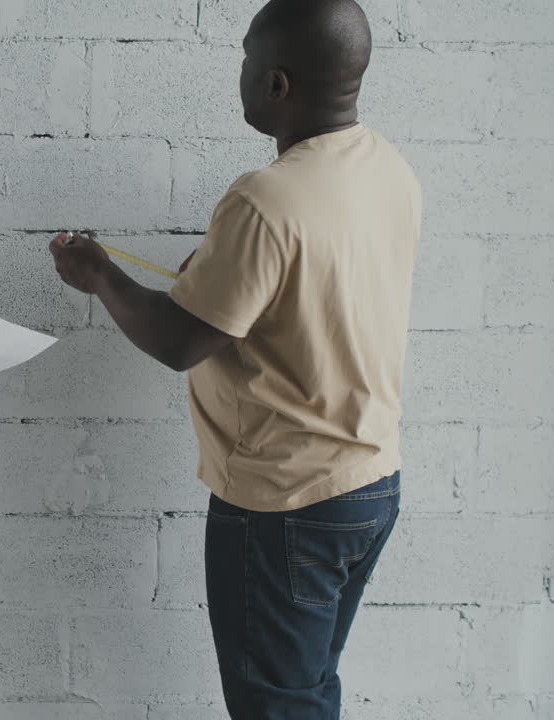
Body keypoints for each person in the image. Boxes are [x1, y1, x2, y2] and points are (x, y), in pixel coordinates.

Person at [49, 0, 421, 717]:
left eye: (248, 62)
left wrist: (100, 276)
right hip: (369, 482)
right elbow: (310, 289)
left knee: (274, 705)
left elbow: (180, 342)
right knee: (306, 691)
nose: (241, 75)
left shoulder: (265, 199)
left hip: (289, 502)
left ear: (277, 84)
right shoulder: (386, 168)